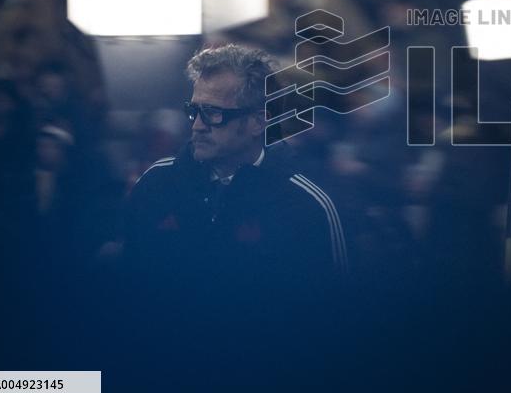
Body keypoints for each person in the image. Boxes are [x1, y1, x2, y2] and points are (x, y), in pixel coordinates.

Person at [122, 44, 347, 297]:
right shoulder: (157, 184)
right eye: (193, 111)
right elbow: (127, 291)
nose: (197, 126)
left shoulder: (304, 206)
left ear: (258, 122)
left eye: (213, 113)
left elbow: (330, 314)